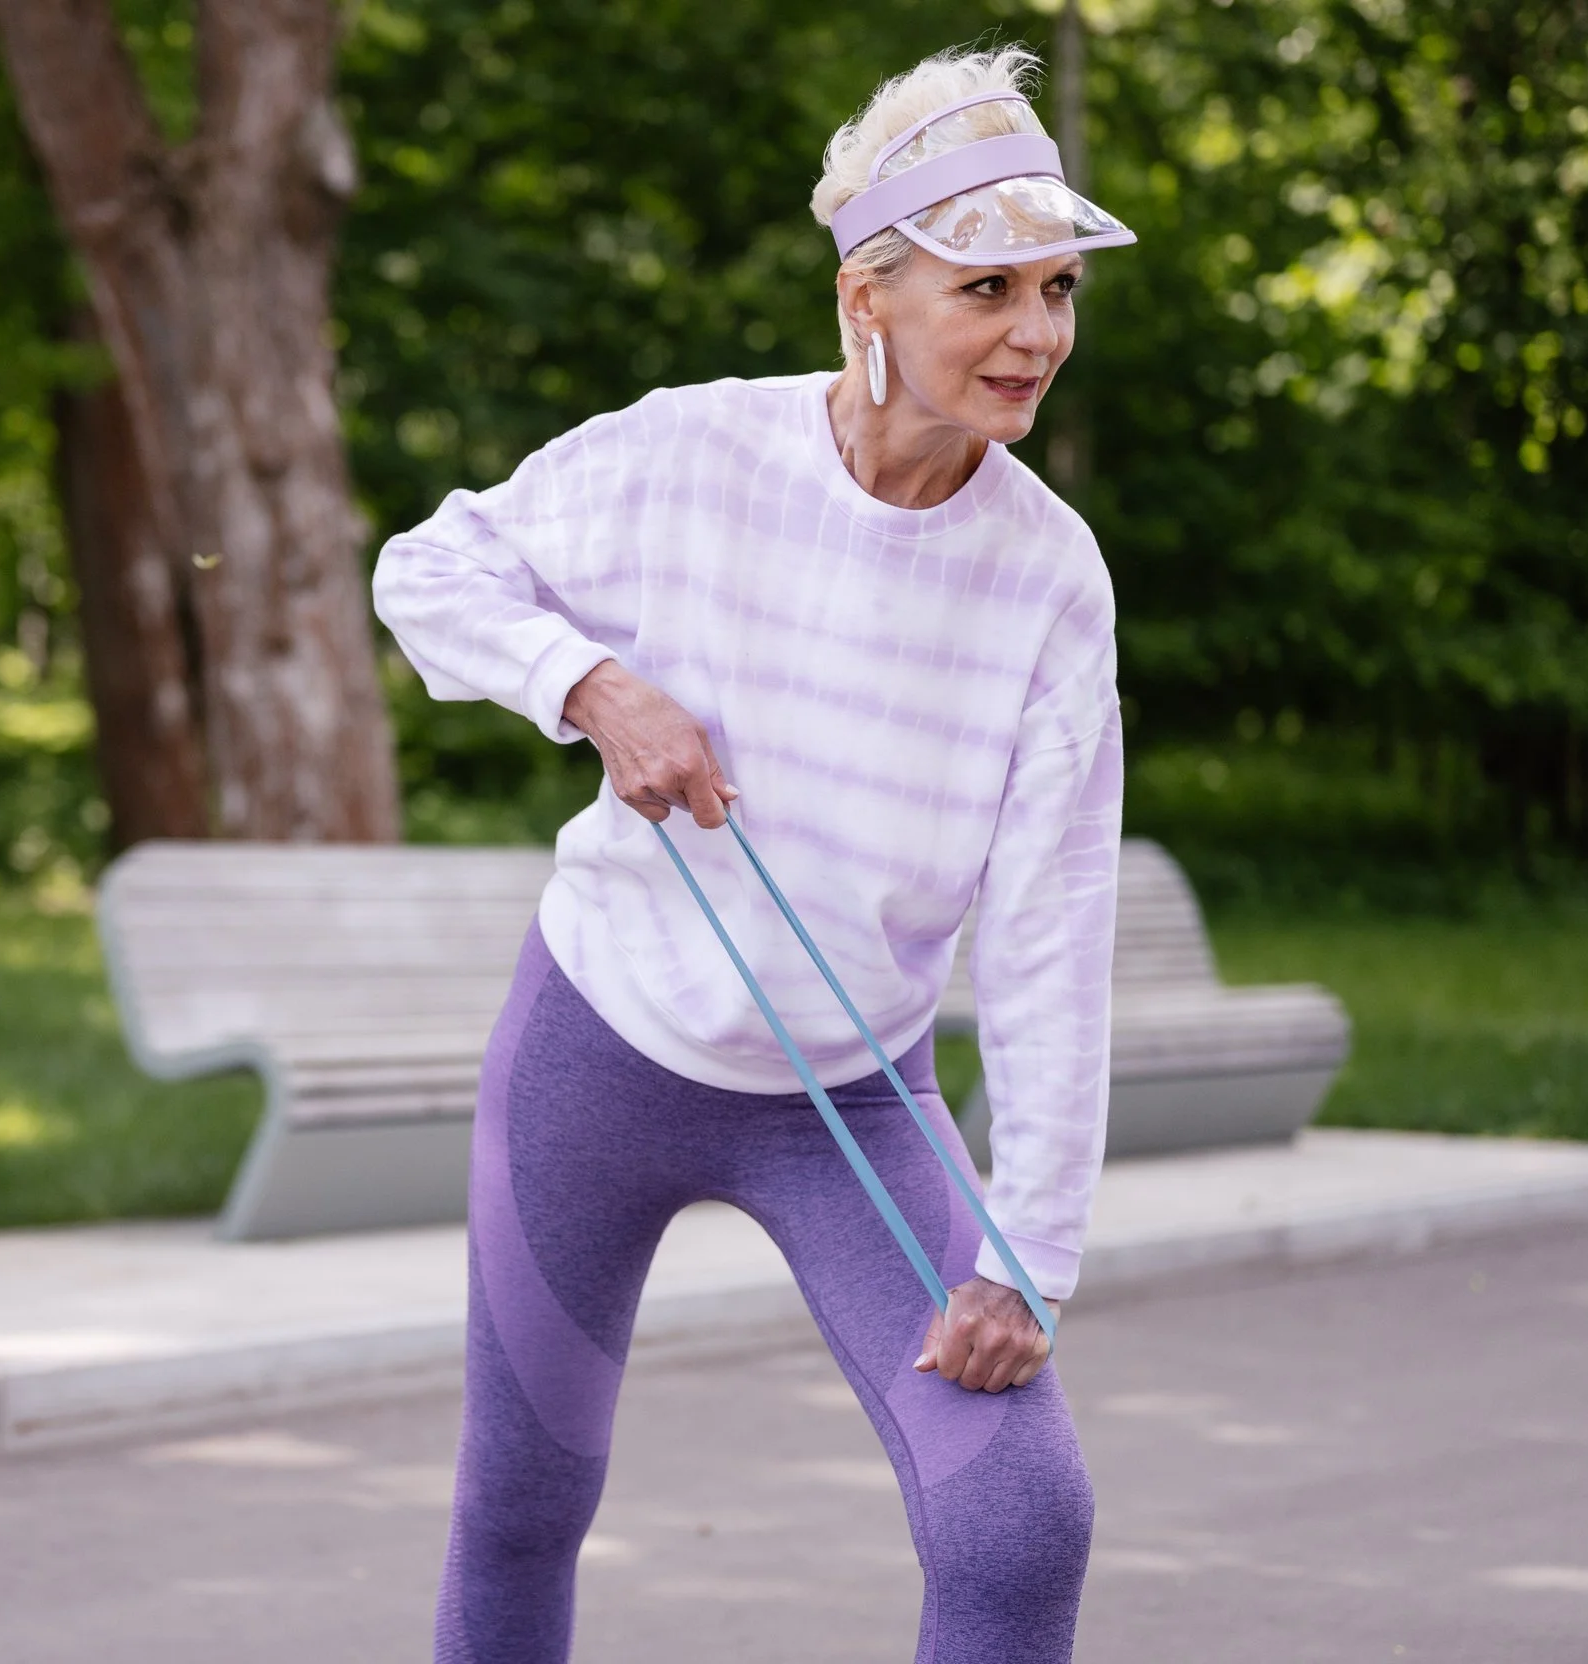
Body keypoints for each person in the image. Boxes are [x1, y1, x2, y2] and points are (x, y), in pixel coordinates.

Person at [372, 43, 1136, 1664]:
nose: (1039, 334)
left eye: (1059, 288)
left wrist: (1029, 1254)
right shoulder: (691, 454)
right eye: (988, 287)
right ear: (870, 296)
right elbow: (430, 569)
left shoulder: (1052, 579)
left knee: (1017, 1523)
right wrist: (591, 686)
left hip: (853, 1095)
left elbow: (1056, 934)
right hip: (598, 1049)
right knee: (520, 1507)